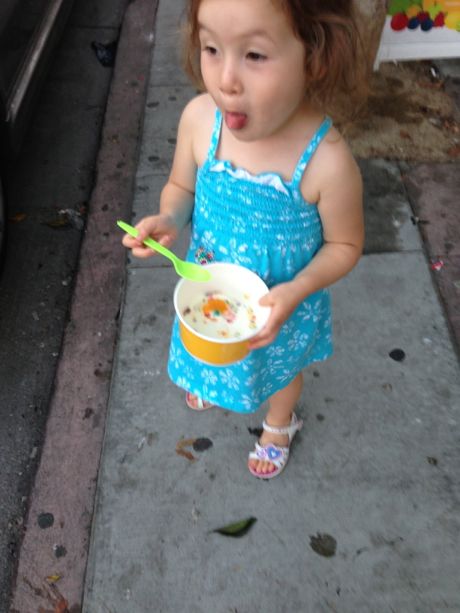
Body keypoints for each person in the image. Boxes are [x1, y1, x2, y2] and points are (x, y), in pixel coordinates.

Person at [122, 0, 365, 479]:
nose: (225, 80)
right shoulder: (198, 121)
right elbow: (183, 187)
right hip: (210, 295)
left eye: (254, 55)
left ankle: (279, 424)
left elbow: (345, 246)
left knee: (281, 372)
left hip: (282, 307)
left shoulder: (327, 161)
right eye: (212, 47)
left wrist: (296, 291)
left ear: (315, 56)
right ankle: (215, 379)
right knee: (211, 352)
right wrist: (170, 218)